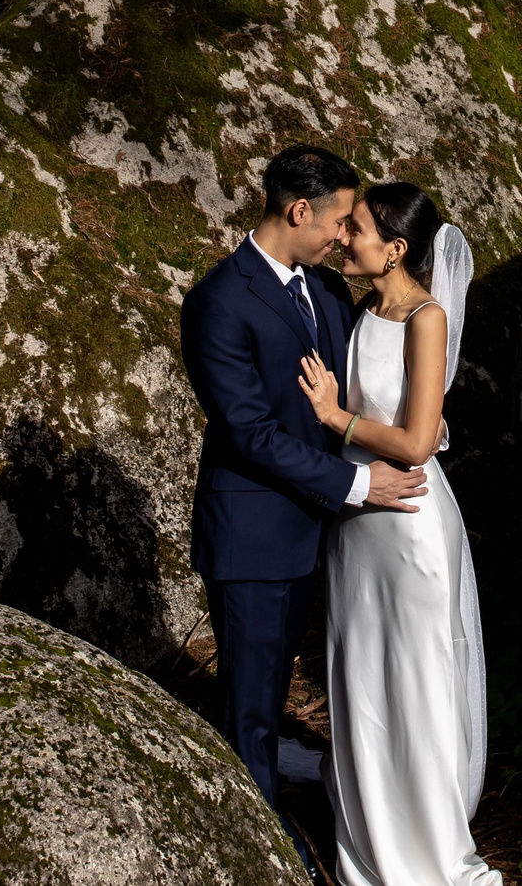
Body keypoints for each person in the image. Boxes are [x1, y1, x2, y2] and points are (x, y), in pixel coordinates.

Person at [180, 145, 429, 870]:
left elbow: (365, 382)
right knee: (253, 703)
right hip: (253, 537)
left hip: (313, 533)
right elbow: (251, 434)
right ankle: (261, 844)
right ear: (299, 212)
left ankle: (259, 772)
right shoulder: (217, 302)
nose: (346, 235)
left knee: (268, 682)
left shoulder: (323, 291)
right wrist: (359, 485)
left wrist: (420, 426)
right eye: (341, 220)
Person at [298, 181, 499, 886]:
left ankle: (434, 852)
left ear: (397, 248)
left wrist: (336, 420)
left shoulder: (427, 317)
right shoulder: (360, 310)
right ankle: (371, 830)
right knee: (362, 677)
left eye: (356, 228)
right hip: (358, 529)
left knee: (414, 683)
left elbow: (416, 441)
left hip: (409, 528)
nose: (344, 236)